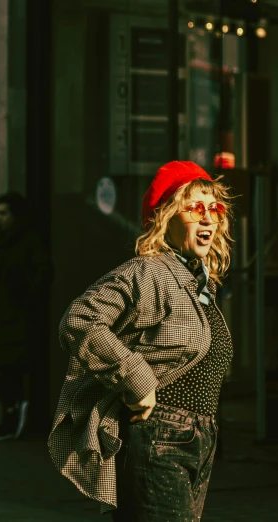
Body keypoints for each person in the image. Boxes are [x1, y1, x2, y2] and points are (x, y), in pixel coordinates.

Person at [49, 160, 234, 520]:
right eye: (195, 207)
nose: (209, 218)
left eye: (215, 208)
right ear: (166, 216)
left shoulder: (198, 281)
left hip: (197, 438)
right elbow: (81, 319)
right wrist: (136, 379)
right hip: (159, 437)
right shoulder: (149, 271)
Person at [0, 192, 48, 442]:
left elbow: (41, 272)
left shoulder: (28, 241)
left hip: (15, 316)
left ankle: (15, 414)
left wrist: (25, 298)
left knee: (9, 367)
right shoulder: (2, 242)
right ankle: (14, 408)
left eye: (4, 213)